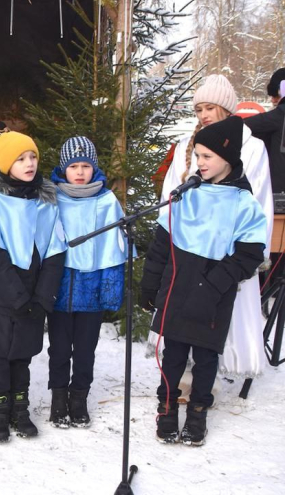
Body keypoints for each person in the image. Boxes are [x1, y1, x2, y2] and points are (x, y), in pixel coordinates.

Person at [141, 116, 267, 446]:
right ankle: (167, 408)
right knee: (173, 354)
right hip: (177, 286)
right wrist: (150, 286)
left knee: (206, 357)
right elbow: (160, 246)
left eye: (207, 156)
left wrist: (213, 285)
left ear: (227, 157)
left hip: (213, 294)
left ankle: (198, 412)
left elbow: (250, 255)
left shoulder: (243, 204)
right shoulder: (186, 195)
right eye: (197, 156)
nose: (200, 162)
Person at [159, 74, 273, 381]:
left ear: (226, 108)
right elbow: (171, 191)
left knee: (222, 314)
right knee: (184, 318)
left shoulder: (252, 146)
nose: (204, 114)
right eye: (199, 109)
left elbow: (259, 200)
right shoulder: (187, 144)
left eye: (211, 107)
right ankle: (185, 376)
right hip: (190, 246)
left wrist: (254, 251)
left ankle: (213, 377)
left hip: (229, 249)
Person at [0, 131, 67, 443]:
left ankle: (19, 410)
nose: (29, 163)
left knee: (22, 356)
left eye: (33, 157)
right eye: (21, 158)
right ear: (7, 164)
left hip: (34, 293)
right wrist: (18, 298)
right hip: (0, 294)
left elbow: (55, 251)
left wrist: (42, 297)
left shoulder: (46, 202)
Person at [47, 137, 126, 428]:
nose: (80, 172)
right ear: (63, 168)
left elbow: (115, 248)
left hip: (91, 289)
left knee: (84, 350)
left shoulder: (106, 201)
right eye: (73, 166)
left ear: (94, 167)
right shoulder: (52, 199)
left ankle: (79, 398)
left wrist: (109, 289)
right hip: (60, 288)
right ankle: (58, 398)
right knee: (58, 350)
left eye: (85, 165)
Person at [245, 68, 285, 192]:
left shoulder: (279, 116)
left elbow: (241, 126)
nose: (272, 100)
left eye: (275, 95)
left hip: (279, 193)